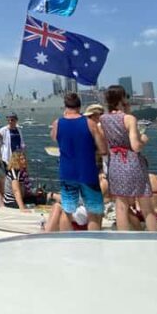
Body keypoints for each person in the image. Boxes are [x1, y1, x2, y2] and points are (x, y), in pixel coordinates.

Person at [101, 85, 157, 232]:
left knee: (121, 206)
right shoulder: (129, 119)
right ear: (122, 98)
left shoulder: (103, 119)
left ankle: (123, 239)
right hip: (132, 163)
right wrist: (144, 139)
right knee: (146, 206)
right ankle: (155, 239)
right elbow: (136, 146)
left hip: (115, 163)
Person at [50, 92, 107, 230]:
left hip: (67, 172)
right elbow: (104, 150)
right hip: (87, 172)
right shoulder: (90, 123)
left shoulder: (57, 123)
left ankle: (67, 243)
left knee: (67, 211)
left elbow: (54, 138)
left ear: (65, 106)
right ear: (80, 106)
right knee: (93, 212)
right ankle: (94, 244)